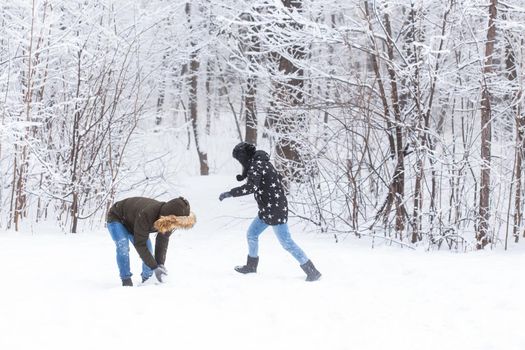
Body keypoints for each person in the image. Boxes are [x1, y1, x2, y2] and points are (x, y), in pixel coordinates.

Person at [219, 142, 322, 281]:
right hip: (268, 209)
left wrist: (231, 193)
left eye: (239, 159)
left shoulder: (257, 165)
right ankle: (251, 266)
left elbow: (251, 187)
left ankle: (312, 270)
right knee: (252, 234)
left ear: (243, 156)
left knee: (286, 242)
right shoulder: (261, 163)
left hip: (274, 210)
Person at [106, 196, 196, 286]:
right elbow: (140, 244)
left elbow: (162, 240)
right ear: (170, 217)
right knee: (123, 246)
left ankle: (147, 280)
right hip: (117, 218)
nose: (176, 225)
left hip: (134, 223)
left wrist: (160, 264)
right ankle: (126, 280)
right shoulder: (147, 214)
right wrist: (154, 267)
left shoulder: (169, 221)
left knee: (148, 250)